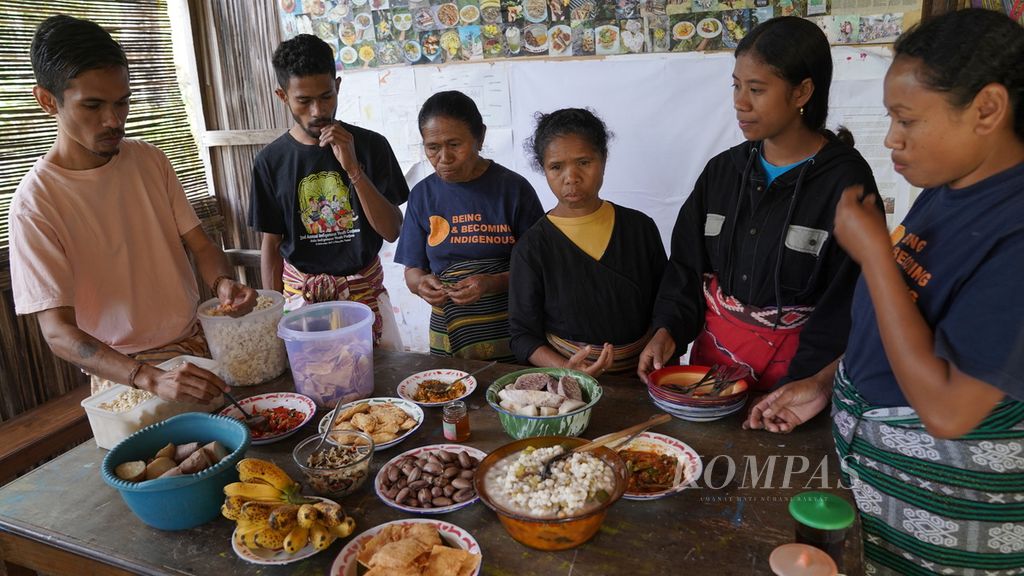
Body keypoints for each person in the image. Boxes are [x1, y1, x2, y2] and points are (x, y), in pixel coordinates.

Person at [745, 9, 1024, 574]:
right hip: (873, 480)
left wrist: (874, 254)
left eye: (907, 120)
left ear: (987, 109)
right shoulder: (947, 190)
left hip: (945, 515)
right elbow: (913, 321)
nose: (892, 138)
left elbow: (948, 409)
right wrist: (828, 381)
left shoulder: (1014, 230)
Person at [8, 15, 257, 403]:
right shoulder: (36, 203)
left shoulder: (149, 161)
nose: (113, 120)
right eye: (92, 105)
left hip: (198, 347)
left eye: (122, 102)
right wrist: (149, 378)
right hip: (125, 374)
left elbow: (203, 246)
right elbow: (57, 331)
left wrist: (222, 284)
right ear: (47, 101)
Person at [638, 17, 879, 391]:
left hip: (798, 385)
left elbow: (850, 299)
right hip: (711, 379)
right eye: (736, 86)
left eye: (756, 89)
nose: (739, 102)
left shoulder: (845, 182)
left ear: (801, 93)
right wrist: (668, 329)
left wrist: (807, 383)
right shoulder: (723, 172)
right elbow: (686, 267)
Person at [249, 34, 409, 349]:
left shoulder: (371, 146)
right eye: (303, 101)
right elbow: (271, 244)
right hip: (302, 307)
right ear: (283, 96)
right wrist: (273, 317)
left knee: (381, 391)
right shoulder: (270, 162)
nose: (317, 111)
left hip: (365, 301)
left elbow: (392, 231)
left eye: (326, 96)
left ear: (337, 85)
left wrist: (353, 169)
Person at [509, 108, 667, 376]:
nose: (571, 177)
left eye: (583, 162)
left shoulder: (640, 229)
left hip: (643, 374)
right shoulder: (532, 247)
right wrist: (567, 368)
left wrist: (661, 340)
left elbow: (667, 302)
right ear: (543, 169)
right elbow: (522, 336)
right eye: (556, 167)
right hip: (571, 386)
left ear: (603, 159)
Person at [395, 91, 544, 361]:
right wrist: (421, 285)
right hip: (448, 330)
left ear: (480, 137)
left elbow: (540, 269)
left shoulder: (513, 190)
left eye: (454, 144)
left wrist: (491, 283)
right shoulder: (422, 196)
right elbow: (413, 270)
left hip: (512, 329)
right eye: (432, 147)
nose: (444, 157)